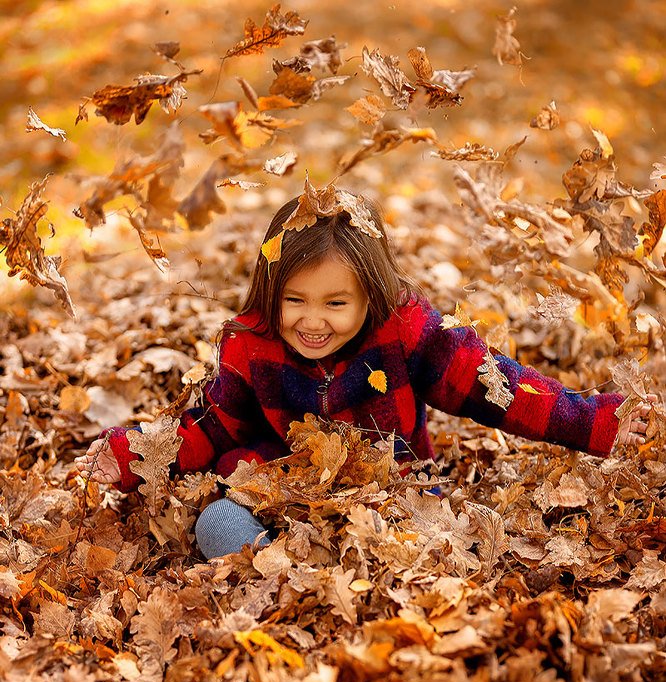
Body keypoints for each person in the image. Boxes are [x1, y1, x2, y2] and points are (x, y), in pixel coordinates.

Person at [75, 188, 654, 559]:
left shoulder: (404, 334)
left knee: (437, 536)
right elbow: (211, 426)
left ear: (370, 294)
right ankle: (281, 574)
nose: (312, 321)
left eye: (335, 303)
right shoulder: (252, 346)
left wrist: (595, 422)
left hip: (391, 494)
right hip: (283, 496)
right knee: (218, 525)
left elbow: (493, 386)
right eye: (295, 299)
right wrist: (130, 455)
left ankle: (357, 572)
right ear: (271, 290)